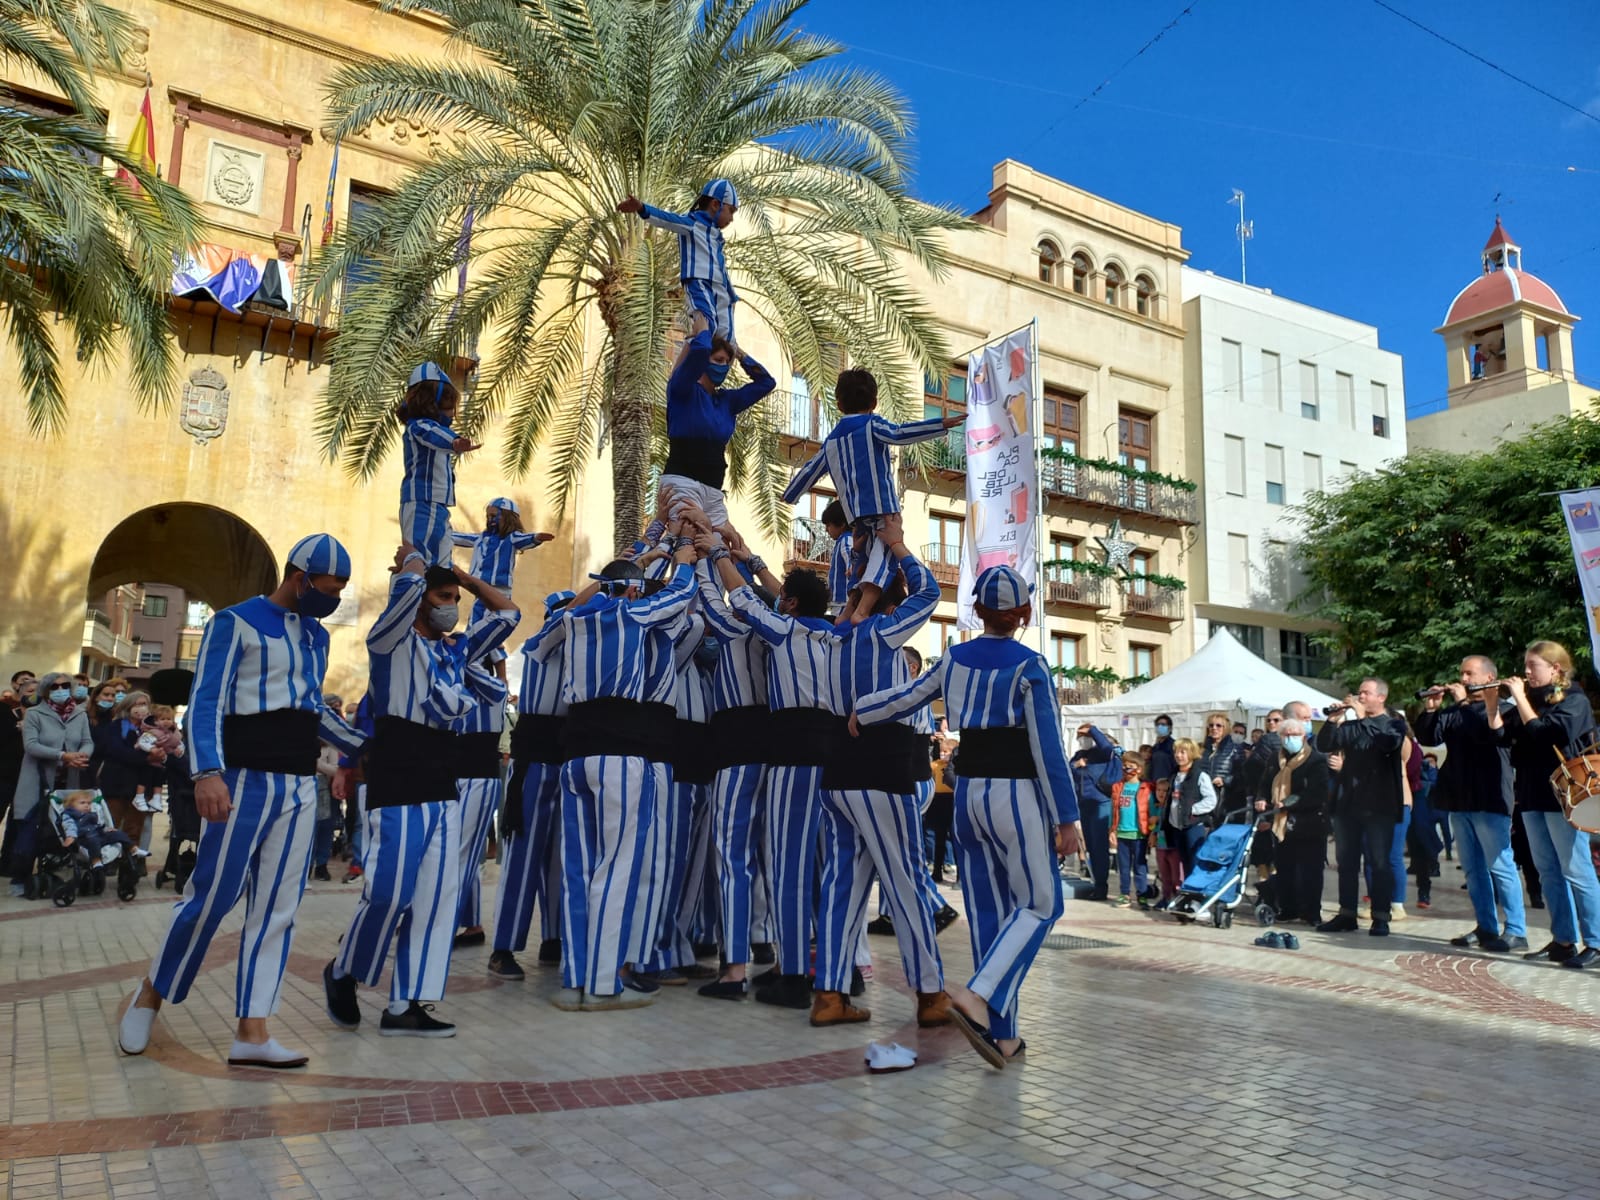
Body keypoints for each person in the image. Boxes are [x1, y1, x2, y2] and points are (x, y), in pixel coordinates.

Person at [119, 535, 366, 1068]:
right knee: (210, 896)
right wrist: (208, 772)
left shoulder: (317, 637)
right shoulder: (235, 622)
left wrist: (365, 747)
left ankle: (253, 1032)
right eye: (329, 588)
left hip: (298, 785)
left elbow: (309, 711)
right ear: (300, 578)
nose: (334, 598)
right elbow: (205, 702)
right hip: (242, 778)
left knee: (279, 906)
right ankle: (150, 994)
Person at [853, 564, 1081, 1069]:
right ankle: (977, 994)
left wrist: (860, 712)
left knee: (989, 917)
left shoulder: (954, 660)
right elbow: (1047, 747)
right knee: (1043, 906)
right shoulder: (1031, 666)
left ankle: (1004, 1036)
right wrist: (1068, 817)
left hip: (967, 794)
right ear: (1021, 614)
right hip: (1015, 794)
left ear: (978, 611)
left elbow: (906, 698)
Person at [325, 547, 519, 1038]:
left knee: (435, 900)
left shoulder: (456, 649)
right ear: (418, 602)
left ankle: (406, 1005)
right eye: (443, 596)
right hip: (396, 777)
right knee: (389, 894)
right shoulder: (390, 641)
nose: (450, 604)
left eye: (453, 598)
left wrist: (464, 579)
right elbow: (406, 595)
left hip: (442, 781)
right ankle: (343, 969)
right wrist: (413, 565)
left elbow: (509, 614)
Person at [530, 536, 699, 1011]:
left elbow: (540, 644)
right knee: (618, 866)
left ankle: (576, 981)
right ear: (630, 592)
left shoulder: (573, 621)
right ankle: (604, 984)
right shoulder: (631, 613)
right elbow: (679, 596)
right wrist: (683, 561)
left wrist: (633, 562)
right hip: (621, 756)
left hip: (575, 756)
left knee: (580, 871)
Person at [800, 516, 951, 1028]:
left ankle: (830, 995)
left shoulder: (832, 639)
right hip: (881, 769)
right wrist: (899, 546)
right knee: (906, 878)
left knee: (842, 881)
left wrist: (866, 558)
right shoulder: (885, 633)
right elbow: (929, 595)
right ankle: (930, 994)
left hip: (837, 771)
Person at [721, 559, 840, 1009]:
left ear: (790, 604)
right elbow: (774, 598)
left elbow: (745, 600)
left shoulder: (785, 629)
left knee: (786, 864)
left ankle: (792, 974)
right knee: (826, 867)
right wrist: (751, 560)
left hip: (793, 750)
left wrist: (719, 556)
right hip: (831, 753)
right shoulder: (831, 632)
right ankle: (835, 967)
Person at [781, 368, 963, 623]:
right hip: (883, 508)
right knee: (884, 559)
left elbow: (812, 469)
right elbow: (898, 434)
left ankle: (848, 609)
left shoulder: (832, 440)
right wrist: (939, 425)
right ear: (874, 402)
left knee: (861, 562)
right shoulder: (872, 424)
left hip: (855, 516)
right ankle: (863, 609)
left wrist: (789, 494)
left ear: (839, 403)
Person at [487, 591, 575, 981]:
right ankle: (503, 947)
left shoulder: (580, 654)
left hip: (566, 759)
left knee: (559, 857)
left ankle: (553, 938)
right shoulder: (538, 646)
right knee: (522, 858)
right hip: (535, 761)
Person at [1496, 640, 1600, 968]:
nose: (1526, 672)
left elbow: (1545, 732)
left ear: (1555, 668)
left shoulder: (1574, 699)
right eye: (1525, 666)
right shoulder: (1531, 701)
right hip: (1531, 794)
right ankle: (1563, 940)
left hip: (1565, 797)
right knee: (1547, 871)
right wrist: (1489, 702)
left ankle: (1596, 941)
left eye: (1533, 666)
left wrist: (1520, 699)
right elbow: (1499, 736)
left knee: (1577, 869)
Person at [1415, 657, 1527, 953]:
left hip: (1490, 797)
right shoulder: (1455, 710)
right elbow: (1428, 737)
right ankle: (1486, 926)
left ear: (1489, 676)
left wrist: (1464, 704)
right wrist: (1432, 708)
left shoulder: (1503, 709)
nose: (1463, 678)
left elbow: (1487, 734)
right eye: (1461, 672)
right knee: (1474, 870)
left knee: (1500, 866)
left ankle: (1516, 929)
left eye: (1469, 673)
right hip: (1459, 796)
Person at [654, 329, 775, 542]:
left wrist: (740, 354)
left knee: (722, 545)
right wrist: (703, 329)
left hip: (713, 488)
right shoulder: (683, 391)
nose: (723, 367)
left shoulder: (727, 401)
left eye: (727, 363)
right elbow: (699, 349)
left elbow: (766, 383)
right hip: (683, 478)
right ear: (704, 362)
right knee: (687, 542)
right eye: (718, 360)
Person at [1316, 679, 1406, 937]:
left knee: (1379, 862)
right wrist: (1333, 720)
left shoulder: (1394, 724)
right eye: (1360, 692)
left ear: (1381, 697)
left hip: (1379, 805)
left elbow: (1386, 745)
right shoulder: (1351, 725)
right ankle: (1347, 914)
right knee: (1346, 862)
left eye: (1366, 693)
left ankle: (1380, 916)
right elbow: (1324, 745)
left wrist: (1359, 715)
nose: (1360, 696)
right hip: (1348, 803)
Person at [617, 180, 740, 341]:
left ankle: (732, 359)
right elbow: (667, 219)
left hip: (721, 288)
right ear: (716, 204)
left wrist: (730, 293)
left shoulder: (716, 236)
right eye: (730, 211)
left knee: (727, 337)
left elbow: (720, 267)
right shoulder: (693, 224)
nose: (731, 218)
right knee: (706, 324)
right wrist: (642, 208)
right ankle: (691, 354)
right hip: (700, 282)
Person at [8, 672, 94, 896]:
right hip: (38, 781)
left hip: (68, 782)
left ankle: (55, 872)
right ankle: (21, 876)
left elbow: (87, 741)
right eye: (55, 687)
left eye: (65, 685)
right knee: (30, 829)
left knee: (61, 828)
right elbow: (31, 745)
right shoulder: (35, 714)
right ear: (46, 691)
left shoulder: (79, 715)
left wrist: (82, 756)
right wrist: (63, 756)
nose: (61, 689)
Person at [398, 362, 481, 568]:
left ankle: (436, 594)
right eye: (449, 405)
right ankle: (412, 591)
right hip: (422, 502)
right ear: (432, 402)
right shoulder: (419, 426)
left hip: (437, 504)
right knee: (421, 558)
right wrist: (454, 442)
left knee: (441, 563)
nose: (453, 413)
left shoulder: (428, 427)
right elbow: (434, 434)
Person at [450, 499, 553, 663]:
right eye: (488, 516)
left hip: (498, 591)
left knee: (480, 628)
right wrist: (443, 534)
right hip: (480, 591)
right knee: (480, 629)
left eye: (494, 515)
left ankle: (468, 660)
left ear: (507, 518)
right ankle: (473, 661)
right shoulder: (481, 538)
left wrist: (537, 538)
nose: (490, 519)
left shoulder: (511, 538)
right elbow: (460, 537)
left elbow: (525, 539)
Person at [1262, 718, 1329, 925]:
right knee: (1285, 868)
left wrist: (1287, 804)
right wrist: (1261, 799)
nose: (1290, 739)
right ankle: (1288, 908)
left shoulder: (1316, 760)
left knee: (1311, 870)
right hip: (1282, 823)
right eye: (1286, 735)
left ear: (1304, 736)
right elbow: (1264, 784)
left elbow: (1316, 793)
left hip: (1309, 822)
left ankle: (1311, 912)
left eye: (1295, 735)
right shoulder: (1275, 759)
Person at [1070, 723, 1123, 901]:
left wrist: (1093, 730)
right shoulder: (1078, 755)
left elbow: (1109, 748)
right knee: (1091, 847)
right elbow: (1068, 771)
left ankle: (1102, 887)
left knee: (1100, 847)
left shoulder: (1100, 754)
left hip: (1101, 802)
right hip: (1084, 805)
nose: (1082, 739)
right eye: (1079, 736)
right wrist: (1077, 765)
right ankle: (1096, 882)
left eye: (1085, 736)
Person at [1165, 738, 1217, 879]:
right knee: (1185, 862)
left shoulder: (1200, 775)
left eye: (1183, 752)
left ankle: (1197, 896)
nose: (1179, 755)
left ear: (1192, 753)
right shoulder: (1174, 775)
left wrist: (1192, 810)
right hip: (1176, 826)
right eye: (1176, 752)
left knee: (1195, 861)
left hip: (1193, 825)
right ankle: (1187, 893)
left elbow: (1211, 800)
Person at [1111, 752, 1152, 907]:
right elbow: (1113, 810)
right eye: (1124, 766)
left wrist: (1151, 831)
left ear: (1139, 769)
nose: (1126, 769)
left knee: (1140, 866)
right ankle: (1124, 894)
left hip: (1139, 834)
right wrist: (1112, 830)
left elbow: (1151, 811)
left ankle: (1142, 894)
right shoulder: (1118, 787)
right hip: (1122, 833)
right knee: (1124, 867)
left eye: (1130, 767)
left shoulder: (1145, 788)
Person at [57, 789, 132, 863]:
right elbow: (70, 826)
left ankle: (133, 848)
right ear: (71, 805)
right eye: (82, 803)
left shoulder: (91, 814)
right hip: (85, 838)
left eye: (89, 803)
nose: (87, 805)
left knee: (118, 833)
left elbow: (97, 825)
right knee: (93, 841)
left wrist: (106, 829)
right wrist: (71, 836)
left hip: (99, 835)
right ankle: (96, 861)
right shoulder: (69, 815)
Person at [1149, 776, 1181, 906]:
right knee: (1164, 874)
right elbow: (1153, 826)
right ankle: (1166, 897)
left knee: (1176, 875)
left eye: (1165, 790)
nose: (1161, 793)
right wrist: (1153, 832)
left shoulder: (1172, 809)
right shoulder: (1156, 808)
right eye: (1158, 790)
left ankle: (1177, 897)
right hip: (1161, 846)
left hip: (1173, 846)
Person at [820, 499, 852, 614]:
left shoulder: (846, 540)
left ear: (842, 524)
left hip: (844, 603)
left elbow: (851, 557)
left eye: (829, 525)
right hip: (840, 603)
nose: (826, 529)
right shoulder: (841, 541)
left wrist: (851, 567)